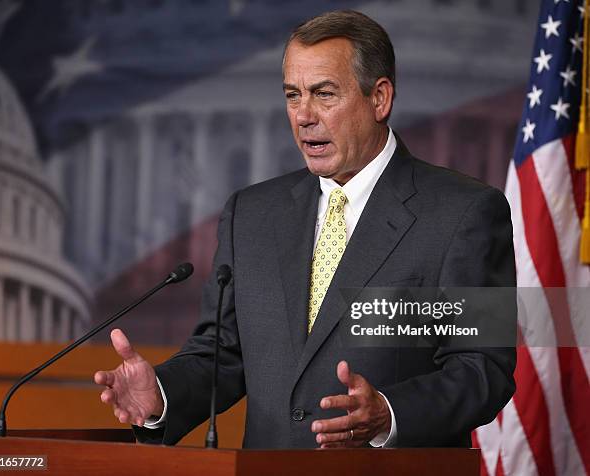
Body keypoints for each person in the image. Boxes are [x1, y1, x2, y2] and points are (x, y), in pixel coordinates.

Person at [94, 10, 516, 449]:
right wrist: (160, 395)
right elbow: (223, 352)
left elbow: (483, 368)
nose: (303, 115)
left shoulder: (467, 212)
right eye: (293, 96)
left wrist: (390, 412)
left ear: (380, 99)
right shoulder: (251, 214)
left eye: (324, 94)